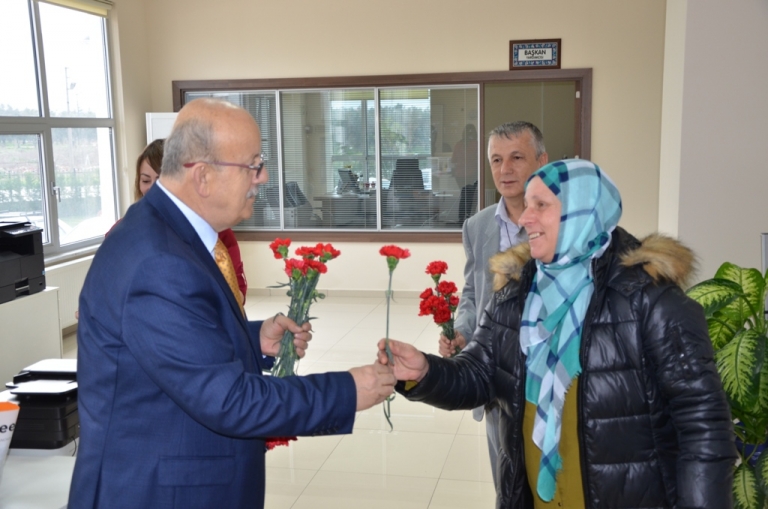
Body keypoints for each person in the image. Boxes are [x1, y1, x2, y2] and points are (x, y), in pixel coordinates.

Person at [69, 98, 395, 509]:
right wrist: (346, 390)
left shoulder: (167, 233)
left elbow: (177, 347)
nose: (263, 177)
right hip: (161, 493)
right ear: (203, 176)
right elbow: (229, 401)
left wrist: (253, 338)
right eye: (253, 165)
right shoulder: (159, 261)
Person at [382, 159, 736, 508]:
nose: (525, 218)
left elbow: (703, 425)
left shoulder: (650, 300)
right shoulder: (515, 293)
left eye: (541, 205)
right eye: (527, 205)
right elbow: (478, 374)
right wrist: (424, 372)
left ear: (583, 210)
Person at [438, 121, 548, 487]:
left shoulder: (559, 222)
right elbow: (473, 292)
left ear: (541, 161)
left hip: (550, 376)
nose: (505, 169)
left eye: (517, 157)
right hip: (497, 376)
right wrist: (462, 330)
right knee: (506, 480)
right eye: (497, 160)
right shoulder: (477, 226)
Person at [134, 138, 248, 301]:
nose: (153, 188)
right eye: (146, 180)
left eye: (161, 180)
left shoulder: (217, 233)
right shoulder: (124, 232)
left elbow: (237, 295)